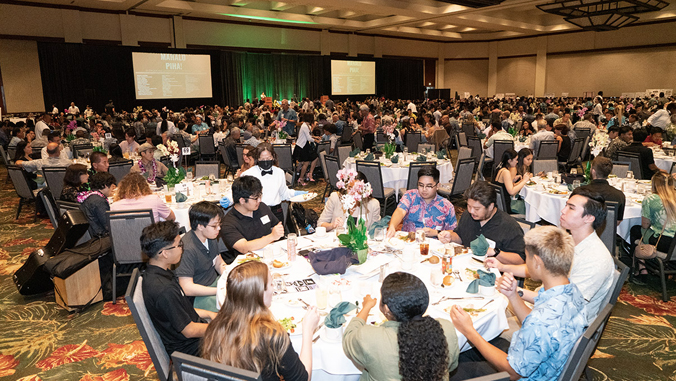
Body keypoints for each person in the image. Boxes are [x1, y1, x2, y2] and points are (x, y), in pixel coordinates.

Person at [449, 226, 587, 380]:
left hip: (528, 374)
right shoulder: (570, 290)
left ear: (536, 262)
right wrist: (513, 295)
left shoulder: (540, 321)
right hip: (546, 361)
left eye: (527, 257)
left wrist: (469, 331)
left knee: (449, 367)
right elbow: (536, 322)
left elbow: (514, 373)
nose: (526, 263)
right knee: (468, 350)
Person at [485, 187, 614, 324]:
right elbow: (538, 268)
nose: (563, 211)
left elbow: (563, 303)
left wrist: (516, 292)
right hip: (542, 305)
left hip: (559, 325)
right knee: (488, 308)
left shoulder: (596, 259)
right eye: (566, 205)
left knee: (489, 322)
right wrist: (502, 266)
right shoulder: (567, 240)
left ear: (589, 218)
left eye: (571, 208)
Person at [202, 261, 320, 381]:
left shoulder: (215, 328)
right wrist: (308, 330)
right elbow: (303, 379)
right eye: (270, 284)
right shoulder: (271, 335)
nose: (273, 288)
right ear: (260, 293)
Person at [343, 272, 459, 380]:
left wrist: (366, 307)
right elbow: (451, 366)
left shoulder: (370, 338)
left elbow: (349, 336)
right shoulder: (445, 328)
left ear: (387, 309)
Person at [141, 221, 216, 357]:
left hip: (192, 336)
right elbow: (190, 330)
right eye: (179, 245)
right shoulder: (164, 289)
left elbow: (182, 309)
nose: (183, 248)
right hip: (191, 349)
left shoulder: (157, 272)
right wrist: (223, 329)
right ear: (164, 253)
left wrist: (210, 314)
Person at [439, 181, 525, 265]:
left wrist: (495, 253)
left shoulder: (509, 226)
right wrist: (451, 237)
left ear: (491, 206)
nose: (471, 211)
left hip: (494, 273)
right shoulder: (467, 215)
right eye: (469, 206)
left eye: (477, 209)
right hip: (467, 266)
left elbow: (520, 260)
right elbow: (461, 236)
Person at [176, 201, 226, 313]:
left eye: (219, 225)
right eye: (214, 226)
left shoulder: (210, 236)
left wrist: (227, 274)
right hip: (198, 296)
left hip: (215, 283)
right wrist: (218, 291)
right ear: (200, 226)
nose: (218, 229)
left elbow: (218, 261)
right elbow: (187, 288)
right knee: (235, 310)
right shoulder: (187, 249)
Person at [219, 176, 285, 260]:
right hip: (249, 263)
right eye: (256, 198)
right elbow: (244, 247)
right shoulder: (228, 223)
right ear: (242, 200)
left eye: (260, 196)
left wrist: (277, 232)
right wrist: (271, 237)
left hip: (272, 255)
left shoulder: (261, 207)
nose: (259, 200)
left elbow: (276, 226)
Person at [387, 166, 457, 240]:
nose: (424, 189)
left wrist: (436, 232)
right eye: (421, 185)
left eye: (429, 186)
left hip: (433, 246)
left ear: (437, 186)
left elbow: (454, 232)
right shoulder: (410, 195)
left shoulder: (446, 206)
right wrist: (392, 226)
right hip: (409, 243)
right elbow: (400, 211)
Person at [242, 143, 306, 224]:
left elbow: (284, 193)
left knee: (278, 234)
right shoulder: (249, 174)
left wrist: (295, 193)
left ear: (273, 157)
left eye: (268, 158)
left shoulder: (279, 172)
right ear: (257, 159)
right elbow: (240, 193)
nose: (265, 161)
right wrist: (229, 199)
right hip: (257, 212)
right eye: (262, 159)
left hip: (276, 211)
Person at [630, 172, 676, 277]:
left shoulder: (651, 198)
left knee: (635, 230)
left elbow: (645, 225)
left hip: (664, 243)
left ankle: (642, 269)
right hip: (674, 243)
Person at [111, 172, 176, 222]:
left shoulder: (114, 206)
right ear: (144, 186)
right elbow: (172, 218)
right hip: (150, 238)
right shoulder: (154, 200)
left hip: (125, 239)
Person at [582, 156, 626, 222]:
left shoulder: (580, 192)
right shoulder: (619, 195)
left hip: (583, 230)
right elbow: (617, 222)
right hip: (607, 232)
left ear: (593, 171)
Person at [492, 149, 532, 214]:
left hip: (500, 205)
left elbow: (506, 187)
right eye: (516, 160)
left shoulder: (501, 170)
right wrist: (524, 181)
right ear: (509, 161)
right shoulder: (506, 172)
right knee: (529, 206)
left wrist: (519, 181)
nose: (517, 162)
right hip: (507, 207)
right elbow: (512, 192)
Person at [78, 172, 117, 237]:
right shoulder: (99, 202)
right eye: (112, 187)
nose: (112, 189)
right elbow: (108, 225)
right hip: (101, 236)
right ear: (105, 186)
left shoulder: (90, 196)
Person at [294, 113, 320, 186]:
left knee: (311, 159)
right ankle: (301, 178)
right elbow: (308, 138)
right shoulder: (305, 126)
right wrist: (315, 140)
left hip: (304, 145)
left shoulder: (306, 125)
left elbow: (308, 136)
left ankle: (307, 175)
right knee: (306, 163)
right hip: (302, 146)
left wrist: (315, 137)